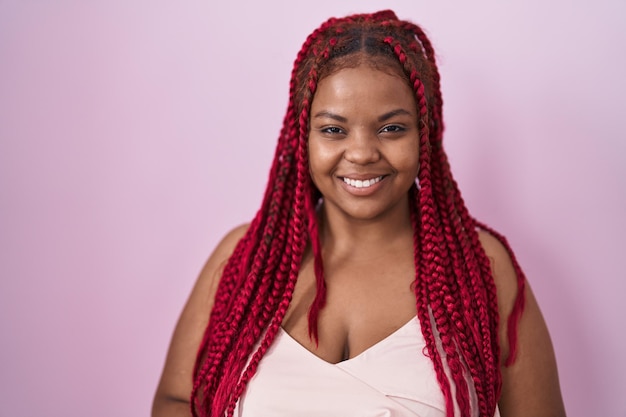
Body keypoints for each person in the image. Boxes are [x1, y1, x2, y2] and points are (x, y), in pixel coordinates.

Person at [152, 10, 566, 417]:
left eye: (391, 128)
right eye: (334, 129)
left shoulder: (480, 266)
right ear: (303, 136)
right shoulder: (246, 258)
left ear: (424, 133)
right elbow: (175, 401)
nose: (363, 153)